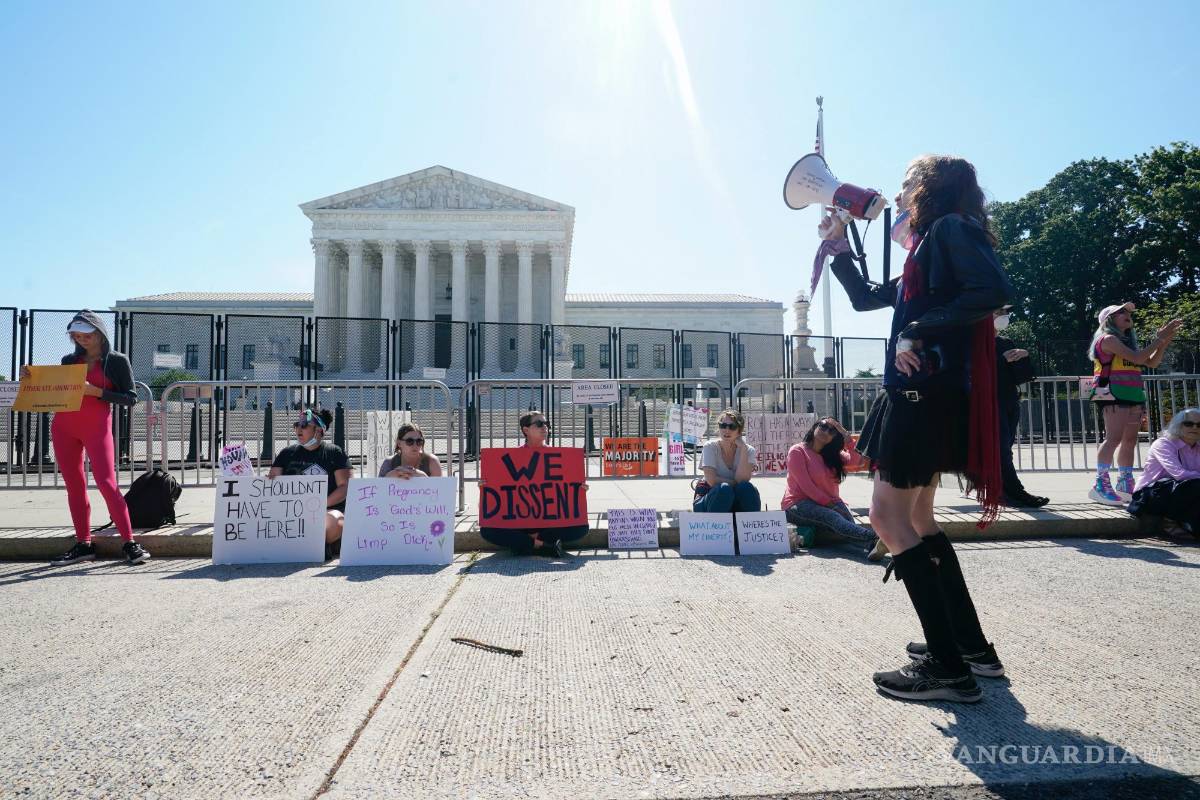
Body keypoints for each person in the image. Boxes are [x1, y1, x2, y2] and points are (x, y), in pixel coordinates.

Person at [828, 154, 1011, 703]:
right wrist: (838, 247)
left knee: (887, 519)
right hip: (928, 395)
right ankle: (970, 648)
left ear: (931, 187)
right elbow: (866, 299)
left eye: (910, 181)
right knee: (920, 520)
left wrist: (916, 332)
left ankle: (948, 670)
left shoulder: (951, 229)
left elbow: (992, 291)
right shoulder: (933, 244)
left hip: (921, 395)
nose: (902, 189)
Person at [47, 310, 151, 566]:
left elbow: (130, 398)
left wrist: (96, 391)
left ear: (99, 333)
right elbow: (57, 391)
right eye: (76, 335)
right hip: (64, 427)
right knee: (74, 486)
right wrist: (34, 382)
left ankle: (129, 542)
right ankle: (83, 544)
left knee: (107, 483)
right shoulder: (69, 360)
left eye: (87, 335)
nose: (82, 340)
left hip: (96, 429)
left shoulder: (116, 361)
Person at [1086, 302, 1182, 506]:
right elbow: (1139, 358)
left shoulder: (1127, 344)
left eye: (1128, 311)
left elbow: (1152, 362)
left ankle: (1125, 484)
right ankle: (1100, 485)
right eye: (1121, 311)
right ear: (1108, 319)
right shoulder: (1108, 339)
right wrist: (1158, 338)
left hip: (1133, 394)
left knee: (1130, 441)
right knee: (1113, 438)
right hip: (1112, 393)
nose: (1127, 314)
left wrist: (1163, 341)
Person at [478, 411, 589, 557]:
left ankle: (526, 544)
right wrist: (486, 487)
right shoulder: (512, 456)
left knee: (581, 527)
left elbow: (566, 491)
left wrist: (580, 489)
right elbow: (497, 498)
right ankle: (543, 545)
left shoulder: (560, 457)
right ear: (525, 430)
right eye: (539, 424)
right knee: (487, 531)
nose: (545, 427)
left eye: (546, 424)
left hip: (548, 523)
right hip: (520, 523)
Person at [781, 417, 877, 552]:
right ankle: (875, 538)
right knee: (833, 517)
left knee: (846, 523)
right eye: (823, 426)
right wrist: (832, 506)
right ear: (815, 427)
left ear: (834, 437)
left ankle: (872, 546)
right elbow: (807, 487)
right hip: (798, 504)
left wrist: (846, 437)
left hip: (832, 503)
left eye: (832, 431)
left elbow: (858, 461)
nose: (826, 432)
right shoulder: (797, 451)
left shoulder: (835, 455)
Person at [268, 408, 352, 561]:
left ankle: (316, 544)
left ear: (319, 430)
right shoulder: (287, 453)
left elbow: (345, 487)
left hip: (325, 512)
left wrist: (320, 504)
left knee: (336, 520)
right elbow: (272, 482)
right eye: (297, 424)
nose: (299, 428)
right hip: (291, 512)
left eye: (305, 425)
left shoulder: (335, 452)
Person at [992, 308, 1047, 508]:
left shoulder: (1005, 342)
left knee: (1005, 447)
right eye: (998, 312)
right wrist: (1001, 360)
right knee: (1001, 449)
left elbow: (1022, 376)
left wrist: (1024, 356)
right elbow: (974, 372)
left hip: (1009, 400)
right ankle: (1013, 492)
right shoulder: (974, 342)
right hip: (990, 402)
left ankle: (1002, 490)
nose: (1003, 317)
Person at [1126, 408, 1200, 538]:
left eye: (1199, 425)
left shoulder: (1198, 447)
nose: (1195, 427)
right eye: (1189, 424)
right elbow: (1179, 474)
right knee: (1194, 485)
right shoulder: (1164, 444)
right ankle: (1169, 522)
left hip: (1183, 492)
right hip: (1150, 495)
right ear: (1178, 425)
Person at [695, 409, 761, 513]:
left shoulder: (748, 450)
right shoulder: (710, 446)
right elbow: (711, 481)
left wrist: (743, 450)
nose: (727, 430)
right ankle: (717, 528)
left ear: (739, 431)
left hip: (734, 501)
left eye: (732, 427)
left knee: (747, 488)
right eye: (723, 425)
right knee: (724, 489)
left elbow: (741, 481)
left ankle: (749, 527)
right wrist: (733, 483)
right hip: (711, 500)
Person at [378, 423, 443, 479]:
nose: (415, 445)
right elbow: (379, 489)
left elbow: (440, 490)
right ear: (399, 443)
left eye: (419, 441)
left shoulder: (432, 461)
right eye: (409, 441)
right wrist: (389, 477)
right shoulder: (389, 463)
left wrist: (423, 477)